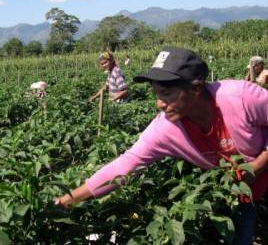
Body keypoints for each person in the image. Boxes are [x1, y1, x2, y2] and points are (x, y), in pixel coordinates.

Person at [55, 47, 268, 245]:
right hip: (243, 191)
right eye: (156, 94)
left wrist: (258, 166)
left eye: (166, 94)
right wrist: (68, 200)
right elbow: (125, 166)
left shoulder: (242, 97)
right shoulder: (166, 128)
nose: (159, 103)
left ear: (196, 87)